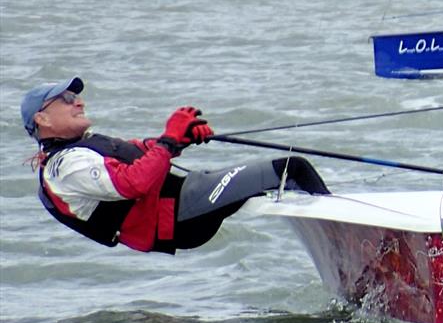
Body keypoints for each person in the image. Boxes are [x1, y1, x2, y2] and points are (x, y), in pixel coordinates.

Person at [21, 76, 330, 254]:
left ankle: (345, 249)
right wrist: (169, 140)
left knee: (279, 176)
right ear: (43, 118)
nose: (79, 101)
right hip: (176, 216)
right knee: (292, 168)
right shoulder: (65, 167)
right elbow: (134, 182)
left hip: (182, 202)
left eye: (76, 96)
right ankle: (350, 251)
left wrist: (181, 138)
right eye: (66, 98)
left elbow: (143, 152)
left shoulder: (82, 147)